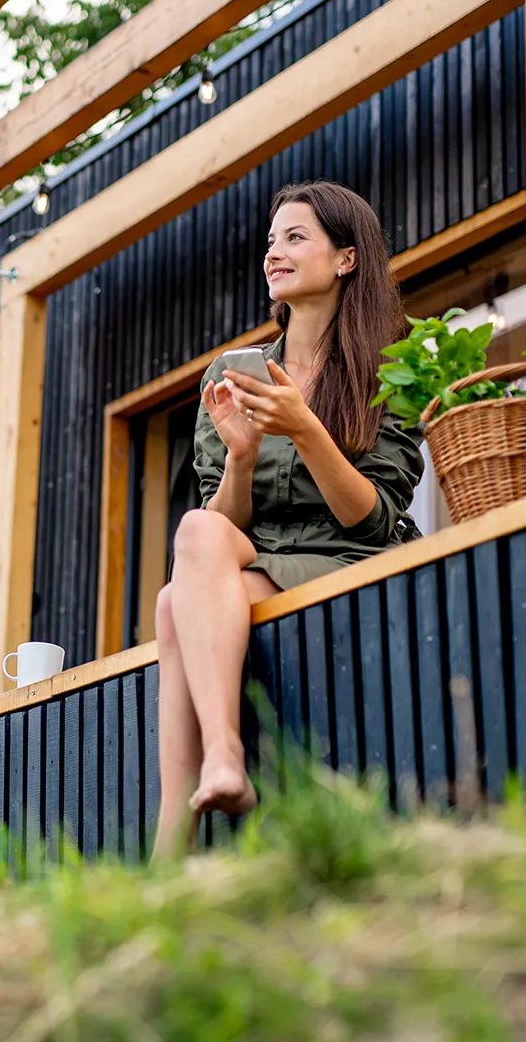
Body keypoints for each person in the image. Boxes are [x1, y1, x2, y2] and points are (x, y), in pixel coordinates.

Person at [152, 180, 423, 861]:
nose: (275, 251)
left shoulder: (392, 367)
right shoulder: (234, 372)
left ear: (346, 259)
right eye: (272, 240)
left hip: (351, 560)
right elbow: (226, 524)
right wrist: (241, 458)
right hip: (258, 564)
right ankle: (222, 760)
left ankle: (172, 837)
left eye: (296, 237)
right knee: (196, 531)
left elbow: (374, 517)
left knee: (171, 606)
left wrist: (306, 429)